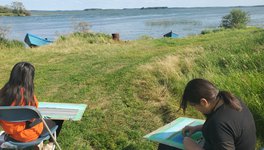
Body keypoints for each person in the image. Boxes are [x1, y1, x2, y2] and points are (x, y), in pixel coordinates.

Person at [158, 78, 256, 150]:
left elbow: (222, 127)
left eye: (193, 105)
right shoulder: (231, 101)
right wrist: (199, 127)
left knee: (165, 147)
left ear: (203, 102)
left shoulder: (218, 124)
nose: (196, 109)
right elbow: (231, 129)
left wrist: (192, 147)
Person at [0, 62, 59, 147]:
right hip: (26, 134)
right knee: (57, 120)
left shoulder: (2, 93)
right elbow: (33, 118)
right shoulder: (27, 97)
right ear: (29, 78)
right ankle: (50, 145)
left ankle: (40, 145)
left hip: (10, 134)